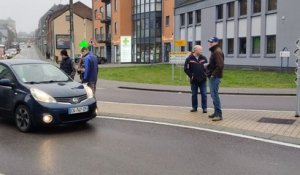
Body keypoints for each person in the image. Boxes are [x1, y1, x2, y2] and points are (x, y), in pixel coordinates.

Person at [184, 45, 208, 114]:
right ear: (195, 50)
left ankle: (204, 108)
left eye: (201, 50)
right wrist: (191, 76)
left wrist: (206, 74)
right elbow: (186, 69)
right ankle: (194, 107)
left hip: (203, 80)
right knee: (194, 94)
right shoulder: (189, 58)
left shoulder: (204, 58)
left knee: (204, 94)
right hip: (194, 80)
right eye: (200, 50)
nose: (201, 51)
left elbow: (207, 68)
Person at [207, 37, 224, 121]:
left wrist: (213, 74)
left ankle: (219, 114)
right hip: (213, 76)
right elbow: (214, 64)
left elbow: (220, 65)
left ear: (216, 42)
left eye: (212, 42)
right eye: (209, 41)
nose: (210, 43)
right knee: (213, 95)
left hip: (215, 77)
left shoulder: (217, 51)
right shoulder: (214, 51)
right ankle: (216, 112)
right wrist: (208, 66)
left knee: (215, 95)